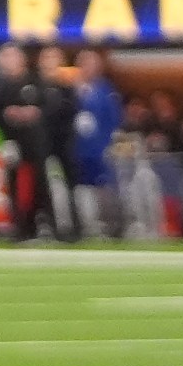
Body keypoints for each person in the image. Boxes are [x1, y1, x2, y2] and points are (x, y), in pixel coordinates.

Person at [0, 43, 55, 240]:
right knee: (14, 185)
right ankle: (19, 228)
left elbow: (48, 108)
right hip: (11, 142)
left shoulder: (35, 82)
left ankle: (42, 223)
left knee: (40, 183)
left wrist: (33, 113)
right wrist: (7, 116)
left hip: (35, 143)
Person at [69, 49, 123, 239]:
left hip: (99, 150)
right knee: (80, 188)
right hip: (77, 150)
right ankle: (85, 225)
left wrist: (110, 144)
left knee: (103, 187)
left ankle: (109, 226)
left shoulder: (106, 91)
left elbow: (114, 120)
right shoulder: (71, 89)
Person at [35, 45, 83, 241]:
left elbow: (71, 113)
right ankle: (48, 225)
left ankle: (75, 227)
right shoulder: (34, 87)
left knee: (70, 185)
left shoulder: (67, 88)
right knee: (43, 187)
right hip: (41, 143)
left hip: (64, 143)